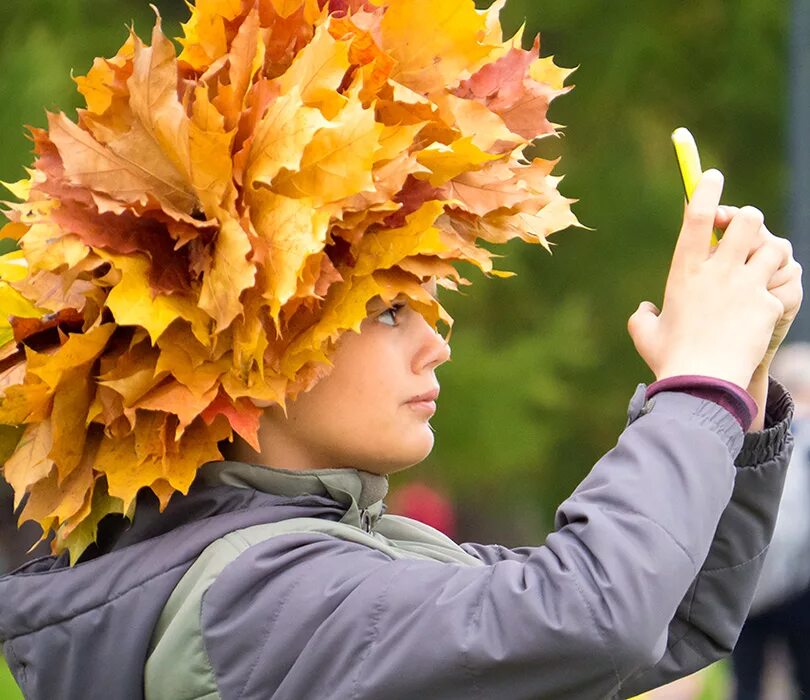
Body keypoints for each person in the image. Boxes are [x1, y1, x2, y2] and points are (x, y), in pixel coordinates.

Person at [0, 1, 802, 699]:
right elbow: (591, 618)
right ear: (251, 349)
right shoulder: (253, 601)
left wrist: (742, 378)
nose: (436, 347)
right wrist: (698, 386)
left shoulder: (333, 559)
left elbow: (670, 619)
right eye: (387, 313)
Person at [730, 342, 810, 700]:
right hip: (795, 581)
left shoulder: (747, 428)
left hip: (744, 579)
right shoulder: (798, 435)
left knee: (747, 682)